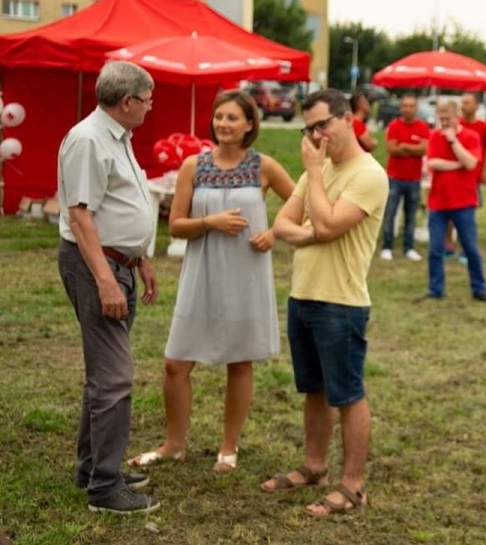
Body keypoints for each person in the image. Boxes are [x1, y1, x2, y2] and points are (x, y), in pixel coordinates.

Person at [127, 90, 294, 473]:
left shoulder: (264, 166)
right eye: (219, 116)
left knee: (240, 360)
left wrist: (274, 233)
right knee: (175, 363)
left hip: (246, 274)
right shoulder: (194, 166)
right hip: (201, 274)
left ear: (249, 124)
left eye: (232, 117)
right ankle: (174, 444)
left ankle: (228, 447)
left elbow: (300, 201)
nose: (223, 124)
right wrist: (210, 223)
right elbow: (176, 226)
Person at [263, 89, 388, 518]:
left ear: (348, 119)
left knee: (348, 394)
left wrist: (315, 177)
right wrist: (311, 230)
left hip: (341, 302)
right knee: (314, 390)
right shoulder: (316, 172)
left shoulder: (368, 175)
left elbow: (330, 224)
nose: (316, 136)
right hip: (303, 296)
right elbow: (282, 224)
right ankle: (314, 466)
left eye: (322, 125)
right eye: (309, 129)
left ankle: (353, 486)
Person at [56, 61, 161, 514]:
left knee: (104, 375)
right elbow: (80, 216)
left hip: (119, 263)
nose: (150, 107)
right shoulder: (88, 139)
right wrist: (104, 281)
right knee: (114, 377)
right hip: (97, 266)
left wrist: (140, 257)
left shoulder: (117, 136)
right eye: (148, 100)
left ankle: (93, 469)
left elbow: (118, 204)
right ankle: (104, 487)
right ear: (127, 100)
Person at [416, 100, 486, 302]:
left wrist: (453, 142)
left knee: (470, 248)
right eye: (441, 118)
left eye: (447, 118)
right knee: (435, 249)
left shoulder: (471, 136)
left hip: (464, 201)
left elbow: (471, 163)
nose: (444, 122)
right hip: (438, 202)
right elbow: (432, 162)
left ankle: (479, 289)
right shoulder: (434, 136)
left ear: (457, 117)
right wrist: (459, 164)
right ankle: (435, 289)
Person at [448, 91, 486, 263]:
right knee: (448, 214)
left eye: (467, 103)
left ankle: (466, 249)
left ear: (477, 106)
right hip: (454, 177)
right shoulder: (456, 124)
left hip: (472, 179)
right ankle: (448, 247)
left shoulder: (484, 127)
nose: (463, 106)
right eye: (462, 102)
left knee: (466, 217)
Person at [379, 93, 430, 261]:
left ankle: (409, 248)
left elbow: (424, 149)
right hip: (394, 177)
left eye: (411, 106)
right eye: (405, 105)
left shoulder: (422, 127)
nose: (408, 109)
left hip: (414, 179)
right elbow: (392, 149)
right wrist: (413, 149)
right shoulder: (394, 126)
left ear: (416, 108)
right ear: (401, 108)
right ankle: (387, 246)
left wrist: (405, 146)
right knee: (390, 213)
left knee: (411, 215)